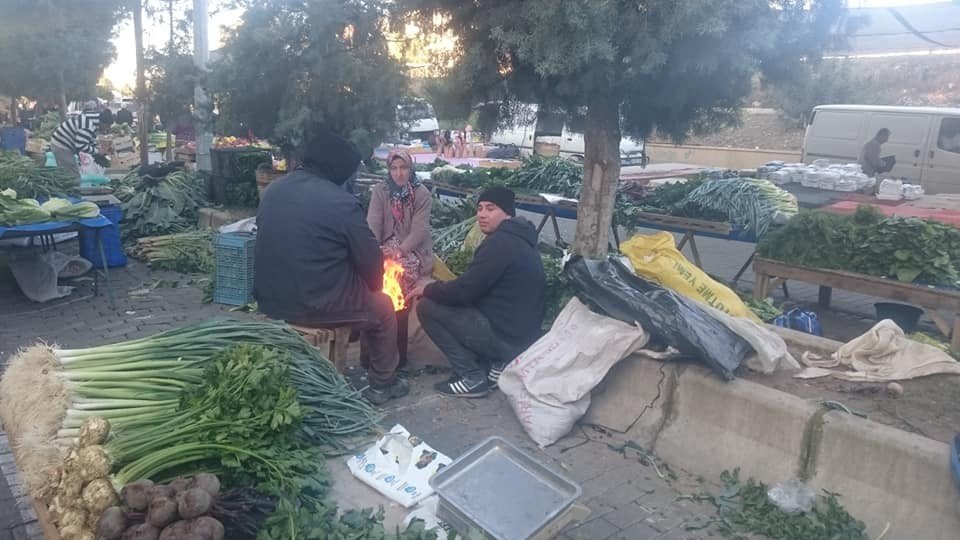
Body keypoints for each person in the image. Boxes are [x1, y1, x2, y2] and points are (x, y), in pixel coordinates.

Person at [254, 129, 408, 405]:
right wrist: (372, 287)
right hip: (315, 304)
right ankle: (383, 383)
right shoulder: (340, 202)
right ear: (338, 169)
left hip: (270, 300)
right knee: (383, 307)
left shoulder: (273, 190)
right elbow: (370, 261)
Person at [414, 187, 547, 397]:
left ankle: (471, 376)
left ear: (507, 213)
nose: (482, 214)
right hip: (521, 336)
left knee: (427, 307)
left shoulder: (500, 244)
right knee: (457, 303)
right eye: (480, 208)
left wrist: (428, 288)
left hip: (508, 340)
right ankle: (496, 363)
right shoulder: (519, 239)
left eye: (490, 209)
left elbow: (464, 292)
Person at [366, 150, 434, 295]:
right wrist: (375, 248)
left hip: (412, 248)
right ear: (389, 170)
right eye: (394, 168)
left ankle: (402, 310)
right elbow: (373, 222)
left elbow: (419, 230)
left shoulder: (421, 194)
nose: (399, 173)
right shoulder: (381, 190)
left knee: (401, 269)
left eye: (403, 167)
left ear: (410, 169)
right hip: (385, 243)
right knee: (373, 268)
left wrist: (399, 251)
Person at [50, 100, 100, 181]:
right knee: (72, 174)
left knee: (67, 172)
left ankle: (66, 189)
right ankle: (71, 191)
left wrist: (96, 148)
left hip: (61, 143)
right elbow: (81, 145)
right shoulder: (88, 125)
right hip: (61, 145)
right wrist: (97, 151)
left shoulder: (90, 121)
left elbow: (89, 139)